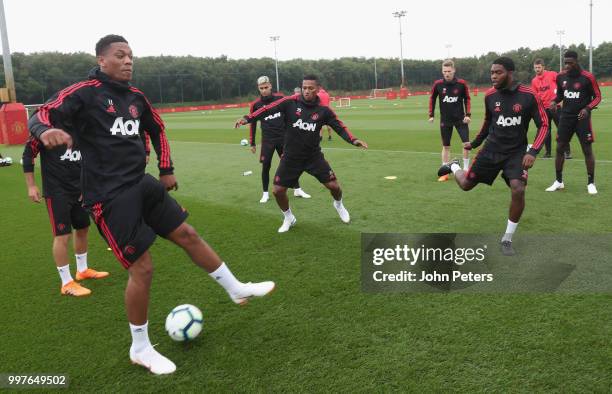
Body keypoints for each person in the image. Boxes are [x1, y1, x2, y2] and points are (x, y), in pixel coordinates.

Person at [28, 34, 275, 375]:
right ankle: (140, 347)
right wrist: (43, 131)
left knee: (187, 233)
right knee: (142, 268)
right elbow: (42, 112)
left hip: (141, 183)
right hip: (108, 195)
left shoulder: (135, 97)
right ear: (102, 60)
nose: (128, 61)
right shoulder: (83, 92)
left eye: (131, 55)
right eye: (120, 55)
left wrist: (166, 168)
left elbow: (157, 128)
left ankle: (236, 288)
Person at [437, 57, 548, 256]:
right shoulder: (489, 96)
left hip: (516, 152)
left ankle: (507, 238)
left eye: (498, 72)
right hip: (491, 150)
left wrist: (533, 151)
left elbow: (544, 125)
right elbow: (488, 124)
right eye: (492, 73)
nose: (493, 76)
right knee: (466, 185)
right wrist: (475, 143)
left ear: (510, 73)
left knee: (518, 188)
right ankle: (454, 166)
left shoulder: (529, 95)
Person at [236, 74, 368, 233]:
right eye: (304, 88)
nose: (306, 91)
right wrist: (248, 118)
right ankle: (288, 217)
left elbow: (339, 127)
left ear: (317, 89)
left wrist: (353, 140)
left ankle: (338, 204)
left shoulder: (323, 111)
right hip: (291, 156)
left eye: (310, 88)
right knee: (277, 191)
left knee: (334, 187)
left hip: (313, 156)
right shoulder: (290, 102)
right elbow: (267, 109)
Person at [23, 132, 109, 296]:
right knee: (62, 235)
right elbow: (28, 154)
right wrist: (31, 186)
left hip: (79, 189)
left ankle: (82, 270)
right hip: (57, 192)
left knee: (83, 228)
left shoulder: (80, 124)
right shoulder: (45, 127)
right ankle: (67, 282)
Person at [545, 50, 602, 194]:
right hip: (565, 117)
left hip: (582, 118)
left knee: (586, 149)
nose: (567, 65)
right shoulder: (561, 77)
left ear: (577, 61)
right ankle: (558, 181)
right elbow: (560, 95)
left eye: (570, 62)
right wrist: (553, 102)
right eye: (566, 63)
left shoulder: (587, 77)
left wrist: (587, 108)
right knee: (559, 148)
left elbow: (597, 97)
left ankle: (591, 183)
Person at [248, 76, 310, 203]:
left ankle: (297, 189)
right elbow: (252, 123)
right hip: (267, 141)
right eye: (261, 88)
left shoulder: (280, 99)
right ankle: (265, 193)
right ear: (258, 89)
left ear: (270, 86)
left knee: (290, 164)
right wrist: (252, 142)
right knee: (266, 166)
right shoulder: (255, 105)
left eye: (266, 87)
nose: (264, 90)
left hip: (284, 138)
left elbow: (291, 115)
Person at [428, 60, 471, 181]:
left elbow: (467, 99)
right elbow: (432, 99)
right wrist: (431, 115)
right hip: (445, 120)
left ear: (454, 70)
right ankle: (444, 172)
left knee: (466, 144)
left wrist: (468, 115)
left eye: (449, 71)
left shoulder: (462, 84)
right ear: (442, 71)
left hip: (460, 120)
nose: (447, 74)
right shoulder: (438, 84)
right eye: (444, 71)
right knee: (446, 146)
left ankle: (466, 170)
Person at [530, 58, 569, 159]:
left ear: (543, 67)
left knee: (561, 129)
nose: (537, 69)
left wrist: (561, 97)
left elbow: (562, 83)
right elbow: (535, 96)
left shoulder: (552, 74)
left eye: (539, 67)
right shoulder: (534, 81)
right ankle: (548, 152)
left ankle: (567, 151)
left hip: (555, 106)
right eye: (535, 68)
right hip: (543, 109)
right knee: (546, 130)